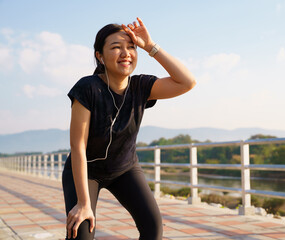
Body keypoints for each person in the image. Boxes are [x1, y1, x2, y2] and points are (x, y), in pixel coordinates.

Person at [62, 17, 196, 240]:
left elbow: (187, 82)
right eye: (116, 47)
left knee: (153, 228)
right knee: (81, 231)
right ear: (100, 56)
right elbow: (78, 147)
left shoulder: (141, 87)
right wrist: (84, 204)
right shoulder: (88, 88)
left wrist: (150, 46)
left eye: (131, 47)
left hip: (124, 168)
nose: (126, 53)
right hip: (87, 171)